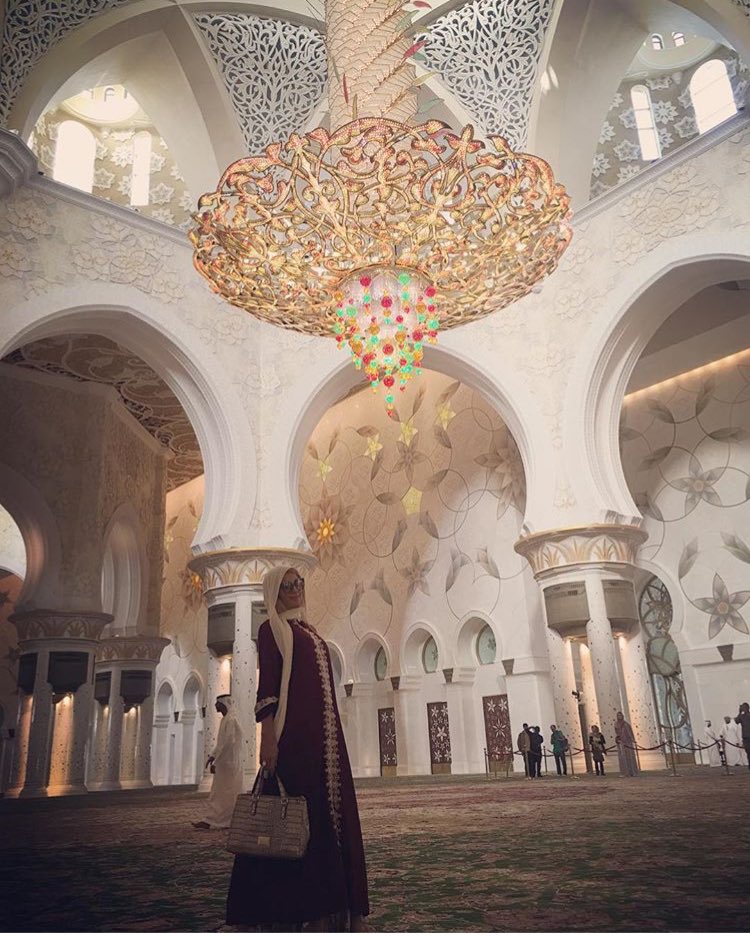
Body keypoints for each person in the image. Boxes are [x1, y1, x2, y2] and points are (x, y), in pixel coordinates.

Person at [226, 567, 369, 931]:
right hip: (295, 741)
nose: (295, 590)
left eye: (299, 584)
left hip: (325, 742)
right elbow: (269, 689)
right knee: (292, 819)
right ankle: (282, 908)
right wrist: (268, 737)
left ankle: (330, 903)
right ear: (274, 593)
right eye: (287, 586)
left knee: (325, 817)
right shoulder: (271, 629)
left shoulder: (308, 630)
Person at [192, 694, 244, 830]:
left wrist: (217, 761)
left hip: (229, 764)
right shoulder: (226, 720)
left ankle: (216, 820)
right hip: (225, 763)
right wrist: (213, 756)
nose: (215, 706)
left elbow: (229, 744)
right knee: (221, 793)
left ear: (224, 704)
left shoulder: (231, 720)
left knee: (225, 793)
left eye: (217, 703)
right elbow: (222, 743)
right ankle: (215, 819)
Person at [614, 711, 639, 777]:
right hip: (621, 743)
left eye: (620, 715)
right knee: (623, 757)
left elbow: (630, 732)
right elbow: (617, 733)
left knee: (630, 757)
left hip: (628, 743)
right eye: (618, 715)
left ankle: (632, 772)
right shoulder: (616, 724)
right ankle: (625, 772)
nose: (619, 717)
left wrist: (632, 740)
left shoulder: (626, 724)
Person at [735, 702, 750, 770]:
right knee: (748, 752)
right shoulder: (742, 716)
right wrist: (739, 712)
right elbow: (737, 721)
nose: (743, 709)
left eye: (744, 707)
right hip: (746, 737)